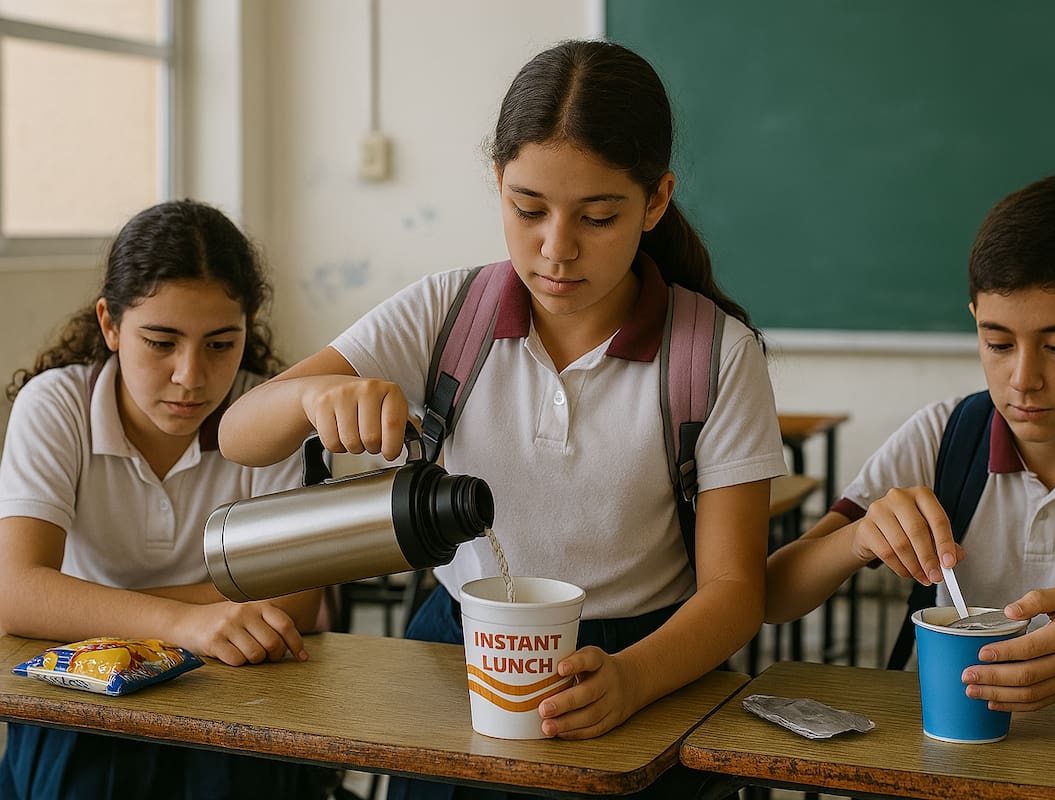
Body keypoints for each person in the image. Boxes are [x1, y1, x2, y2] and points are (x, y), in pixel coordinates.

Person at [218, 39, 786, 799]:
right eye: (528, 209)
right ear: (497, 184)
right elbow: (237, 434)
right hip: (457, 657)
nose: (556, 249)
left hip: (647, 663)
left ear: (655, 201)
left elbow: (732, 590)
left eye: (598, 216)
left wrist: (632, 678)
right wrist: (308, 399)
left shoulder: (716, 353)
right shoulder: (448, 312)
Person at [766, 171, 1055, 709]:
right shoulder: (942, 438)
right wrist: (854, 542)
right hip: (950, 755)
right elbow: (770, 595)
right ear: (975, 323)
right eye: (997, 342)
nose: (1023, 377)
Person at [0, 200, 336, 799]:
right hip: (87, 688)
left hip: (238, 688)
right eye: (160, 342)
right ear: (110, 325)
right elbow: (16, 593)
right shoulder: (57, 406)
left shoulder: (272, 416)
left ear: (247, 328)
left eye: (219, 345)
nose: (190, 376)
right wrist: (193, 620)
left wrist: (75, 606)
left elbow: (297, 601)